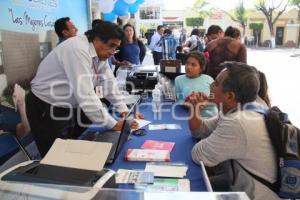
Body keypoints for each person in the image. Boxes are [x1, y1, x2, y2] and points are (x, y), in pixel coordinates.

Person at [26, 21, 140, 157]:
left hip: (66, 105)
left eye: (116, 47)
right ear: (97, 39)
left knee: (70, 150)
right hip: (45, 105)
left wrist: (124, 110)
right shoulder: (77, 50)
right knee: (55, 157)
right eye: (111, 46)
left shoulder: (99, 54)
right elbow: (86, 94)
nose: (112, 52)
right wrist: (113, 124)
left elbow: (109, 83)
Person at [187, 62, 278, 200]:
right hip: (237, 182)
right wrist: (195, 107)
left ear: (229, 96)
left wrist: (215, 136)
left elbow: (198, 154)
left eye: (216, 84)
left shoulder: (238, 122)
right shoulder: (246, 106)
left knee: (186, 190)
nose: (211, 87)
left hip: (251, 195)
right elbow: (200, 130)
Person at [175, 52, 217, 118]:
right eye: (187, 63)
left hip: (211, 116)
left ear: (201, 68)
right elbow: (180, 100)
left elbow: (214, 97)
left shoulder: (209, 79)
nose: (188, 67)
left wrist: (205, 103)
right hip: (190, 116)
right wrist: (191, 105)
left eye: (193, 65)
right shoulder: (178, 80)